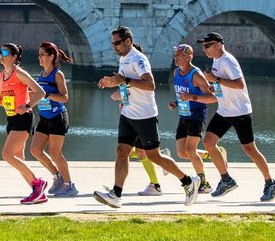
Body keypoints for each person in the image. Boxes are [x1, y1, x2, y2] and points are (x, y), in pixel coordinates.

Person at [93, 26, 200, 209]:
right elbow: (128, 83)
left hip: (145, 116)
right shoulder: (124, 58)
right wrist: (117, 87)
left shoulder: (138, 58)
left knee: (154, 156)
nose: (114, 47)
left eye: (117, 43)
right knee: (121, 151)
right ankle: (116, 194)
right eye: (112, 44)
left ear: (128, 41)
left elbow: (150, 85)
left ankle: (189, 181)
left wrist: (123, 81)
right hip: (128, 114)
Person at [199, 31, 275, 201]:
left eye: (207, 46)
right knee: (208, 143)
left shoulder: (228, 60)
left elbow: (239, 84)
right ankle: (226, 180)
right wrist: (215, 88)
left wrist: (216, 79)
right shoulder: (216, 61)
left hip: (240, 112)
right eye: (203, 46)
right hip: (224, 111)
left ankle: (270, 183)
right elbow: (223, 84)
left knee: (250, 149)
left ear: (218, 45)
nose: (205, 50)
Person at [0, 42, 48, 204]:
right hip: (11, 119)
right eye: (0, 52)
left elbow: (40, 92)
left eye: (6, 53)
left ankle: (38, 183)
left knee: (7, 155)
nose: (1, 56)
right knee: (19, 157)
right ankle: (37, 193)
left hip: (23, 119)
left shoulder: (19, 73)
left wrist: (27, 105)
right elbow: (1, 101)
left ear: (14, 57)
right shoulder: (2, 76)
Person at [31, 41, 77, 197]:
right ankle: (57, 177)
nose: (40, 58)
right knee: (35, 150)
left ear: (51, 56)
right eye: (39, 55)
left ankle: (69, 185)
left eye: (42, 55)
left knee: (55, 152)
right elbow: (40, 95)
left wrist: (46, 94)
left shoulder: (57, 74)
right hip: (44, 118)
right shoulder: (42, 74)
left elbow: (64, 97)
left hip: (58, 116)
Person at [168, 43, 214, 195]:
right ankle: (211, 154)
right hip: (183, 115)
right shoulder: (176, 73)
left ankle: (204, 183)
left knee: (190, 150)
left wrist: (192, 97)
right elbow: (181, 93)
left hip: (196, 115)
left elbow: (213, 98)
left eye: (179, 55)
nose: (176, 58)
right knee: (182, 153)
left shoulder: (196, 75)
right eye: (175, 55)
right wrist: (176, 102)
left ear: (188, 57)